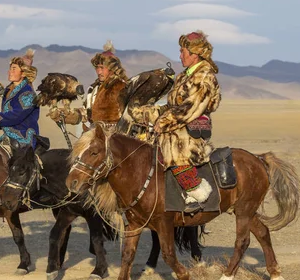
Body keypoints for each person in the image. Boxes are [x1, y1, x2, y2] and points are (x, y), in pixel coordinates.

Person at [134, 31, 221, 212]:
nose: (180, 55)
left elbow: (190, 108)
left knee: (173, 148)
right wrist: (147, 113)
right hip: (178, 123)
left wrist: (163, 122)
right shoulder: (184, 76)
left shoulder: (204, 76)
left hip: (190, 130)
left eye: (183, 51)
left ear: (194, 54)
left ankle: (197, 191)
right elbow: (172, 106)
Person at [50, 40, 129, 133]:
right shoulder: (93, 88)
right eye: (97, 68)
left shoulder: (121, 86)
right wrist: (65, 115)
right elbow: (86, 113)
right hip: (94, 135)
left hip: (114, 137)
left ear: (112, 69)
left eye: (102, 68)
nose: (98, 72)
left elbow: (130, 115)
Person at [0, 49, 41, 149]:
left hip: (23, 140)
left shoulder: (28, 94)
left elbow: (15, 116)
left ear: (23, 73)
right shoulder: (8, 91)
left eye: (14, 69)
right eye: (10, 69)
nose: (10, 72)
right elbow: (7, 119)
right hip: (8, 138)